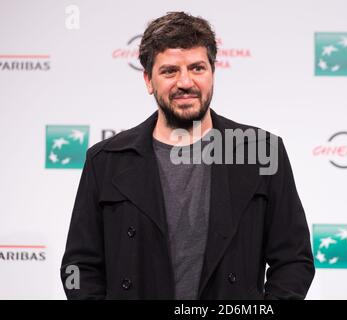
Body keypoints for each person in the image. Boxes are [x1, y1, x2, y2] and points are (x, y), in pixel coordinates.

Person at [60, 11, 315, 300]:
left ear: (212, 73)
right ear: (148, 80)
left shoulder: (260, 151)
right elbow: (78, 267)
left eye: (197, 68)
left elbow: (295, 261)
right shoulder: (105, 160)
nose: (185, 82)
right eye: (170, 71)